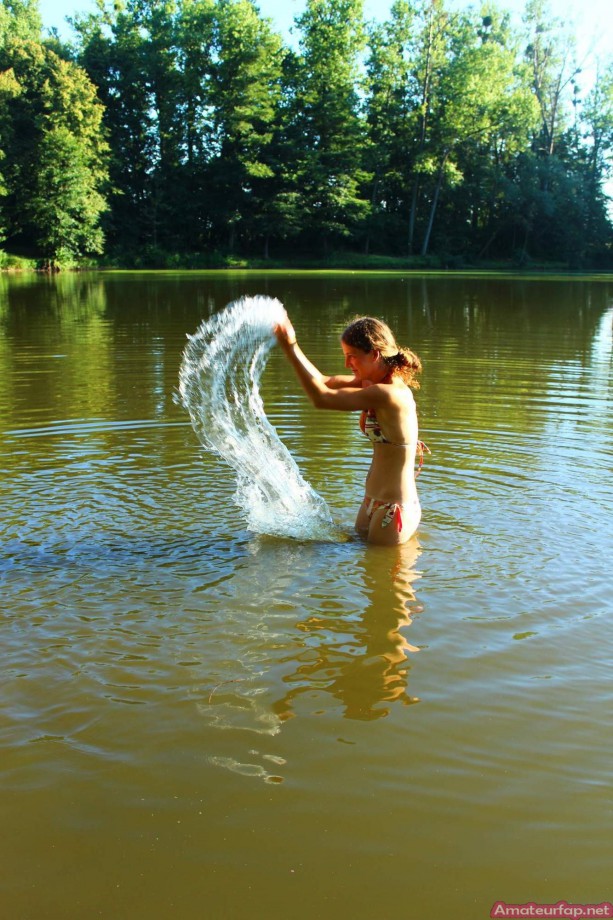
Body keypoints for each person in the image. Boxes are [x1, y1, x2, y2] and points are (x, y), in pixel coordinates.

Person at [275, 313, 428, 546]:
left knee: (387, 581)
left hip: (394, 510)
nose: (347, 364)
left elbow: (322, 399)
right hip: (371, 502)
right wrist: (292, 345)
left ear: (375, 354)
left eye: (352, 357)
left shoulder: (389, 394)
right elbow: (323, 381)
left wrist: (289, 348)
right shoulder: (373, 383)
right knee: (367, 574)